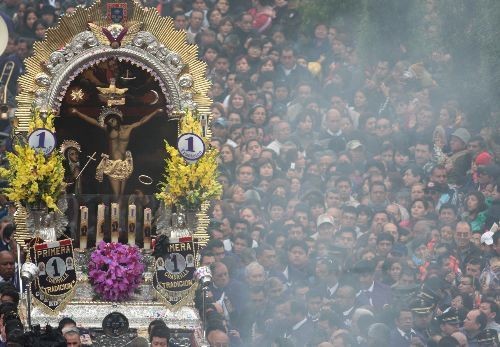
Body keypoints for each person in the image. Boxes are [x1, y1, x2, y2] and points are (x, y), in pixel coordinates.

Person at [70, 106, 163, 198]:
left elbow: (142, 121)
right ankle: (115, 210)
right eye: (109, 121)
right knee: (116, 194)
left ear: (118, 119)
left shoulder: (128, 128)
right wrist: (78, 112)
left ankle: (122, 211)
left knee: (121, 195)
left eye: (112, 120)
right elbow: (93, 121)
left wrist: (155, 111)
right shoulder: (107, 129)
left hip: (124, 164)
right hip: (113, 164)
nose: (111, 122)